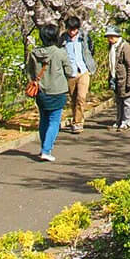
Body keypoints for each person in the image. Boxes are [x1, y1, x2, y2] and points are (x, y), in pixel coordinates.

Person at [25, 22, 73, 161]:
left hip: (41, 92)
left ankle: (43, 148)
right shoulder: (60, 53)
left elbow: (29, 73)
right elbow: (69, 71)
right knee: (54, 121)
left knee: (44, 120)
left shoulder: (34, 53)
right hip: (57, 91)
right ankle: (46, 150)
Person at [62, 14, 93, 133]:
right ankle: (76, 118)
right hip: (70, 72)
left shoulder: (84, 37)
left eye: (74, 29)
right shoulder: (63, 40)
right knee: (73, 98)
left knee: (81, 97)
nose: (72, 32)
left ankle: (78, 122)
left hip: (83, 70)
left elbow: (90, 50)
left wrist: (90, 64)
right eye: (70, 29)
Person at [106, 25, 130, 131]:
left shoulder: (125, 46)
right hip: (116, 78)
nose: (109, 39)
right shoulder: (111, 46)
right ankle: (118, 120)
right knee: (118, 101)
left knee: (127, 101)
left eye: (111, 36)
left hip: (124, 78)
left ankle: (126, 122)